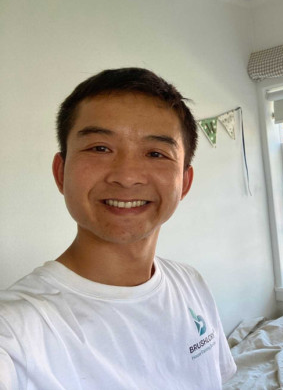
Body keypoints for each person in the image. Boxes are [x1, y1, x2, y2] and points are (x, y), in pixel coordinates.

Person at [0, 68, 236, 389]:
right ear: (60, 172)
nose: (126, 177)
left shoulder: (191, 282)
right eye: (100, 148)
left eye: (156, 153)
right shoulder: (16, 331)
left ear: (184, 183)